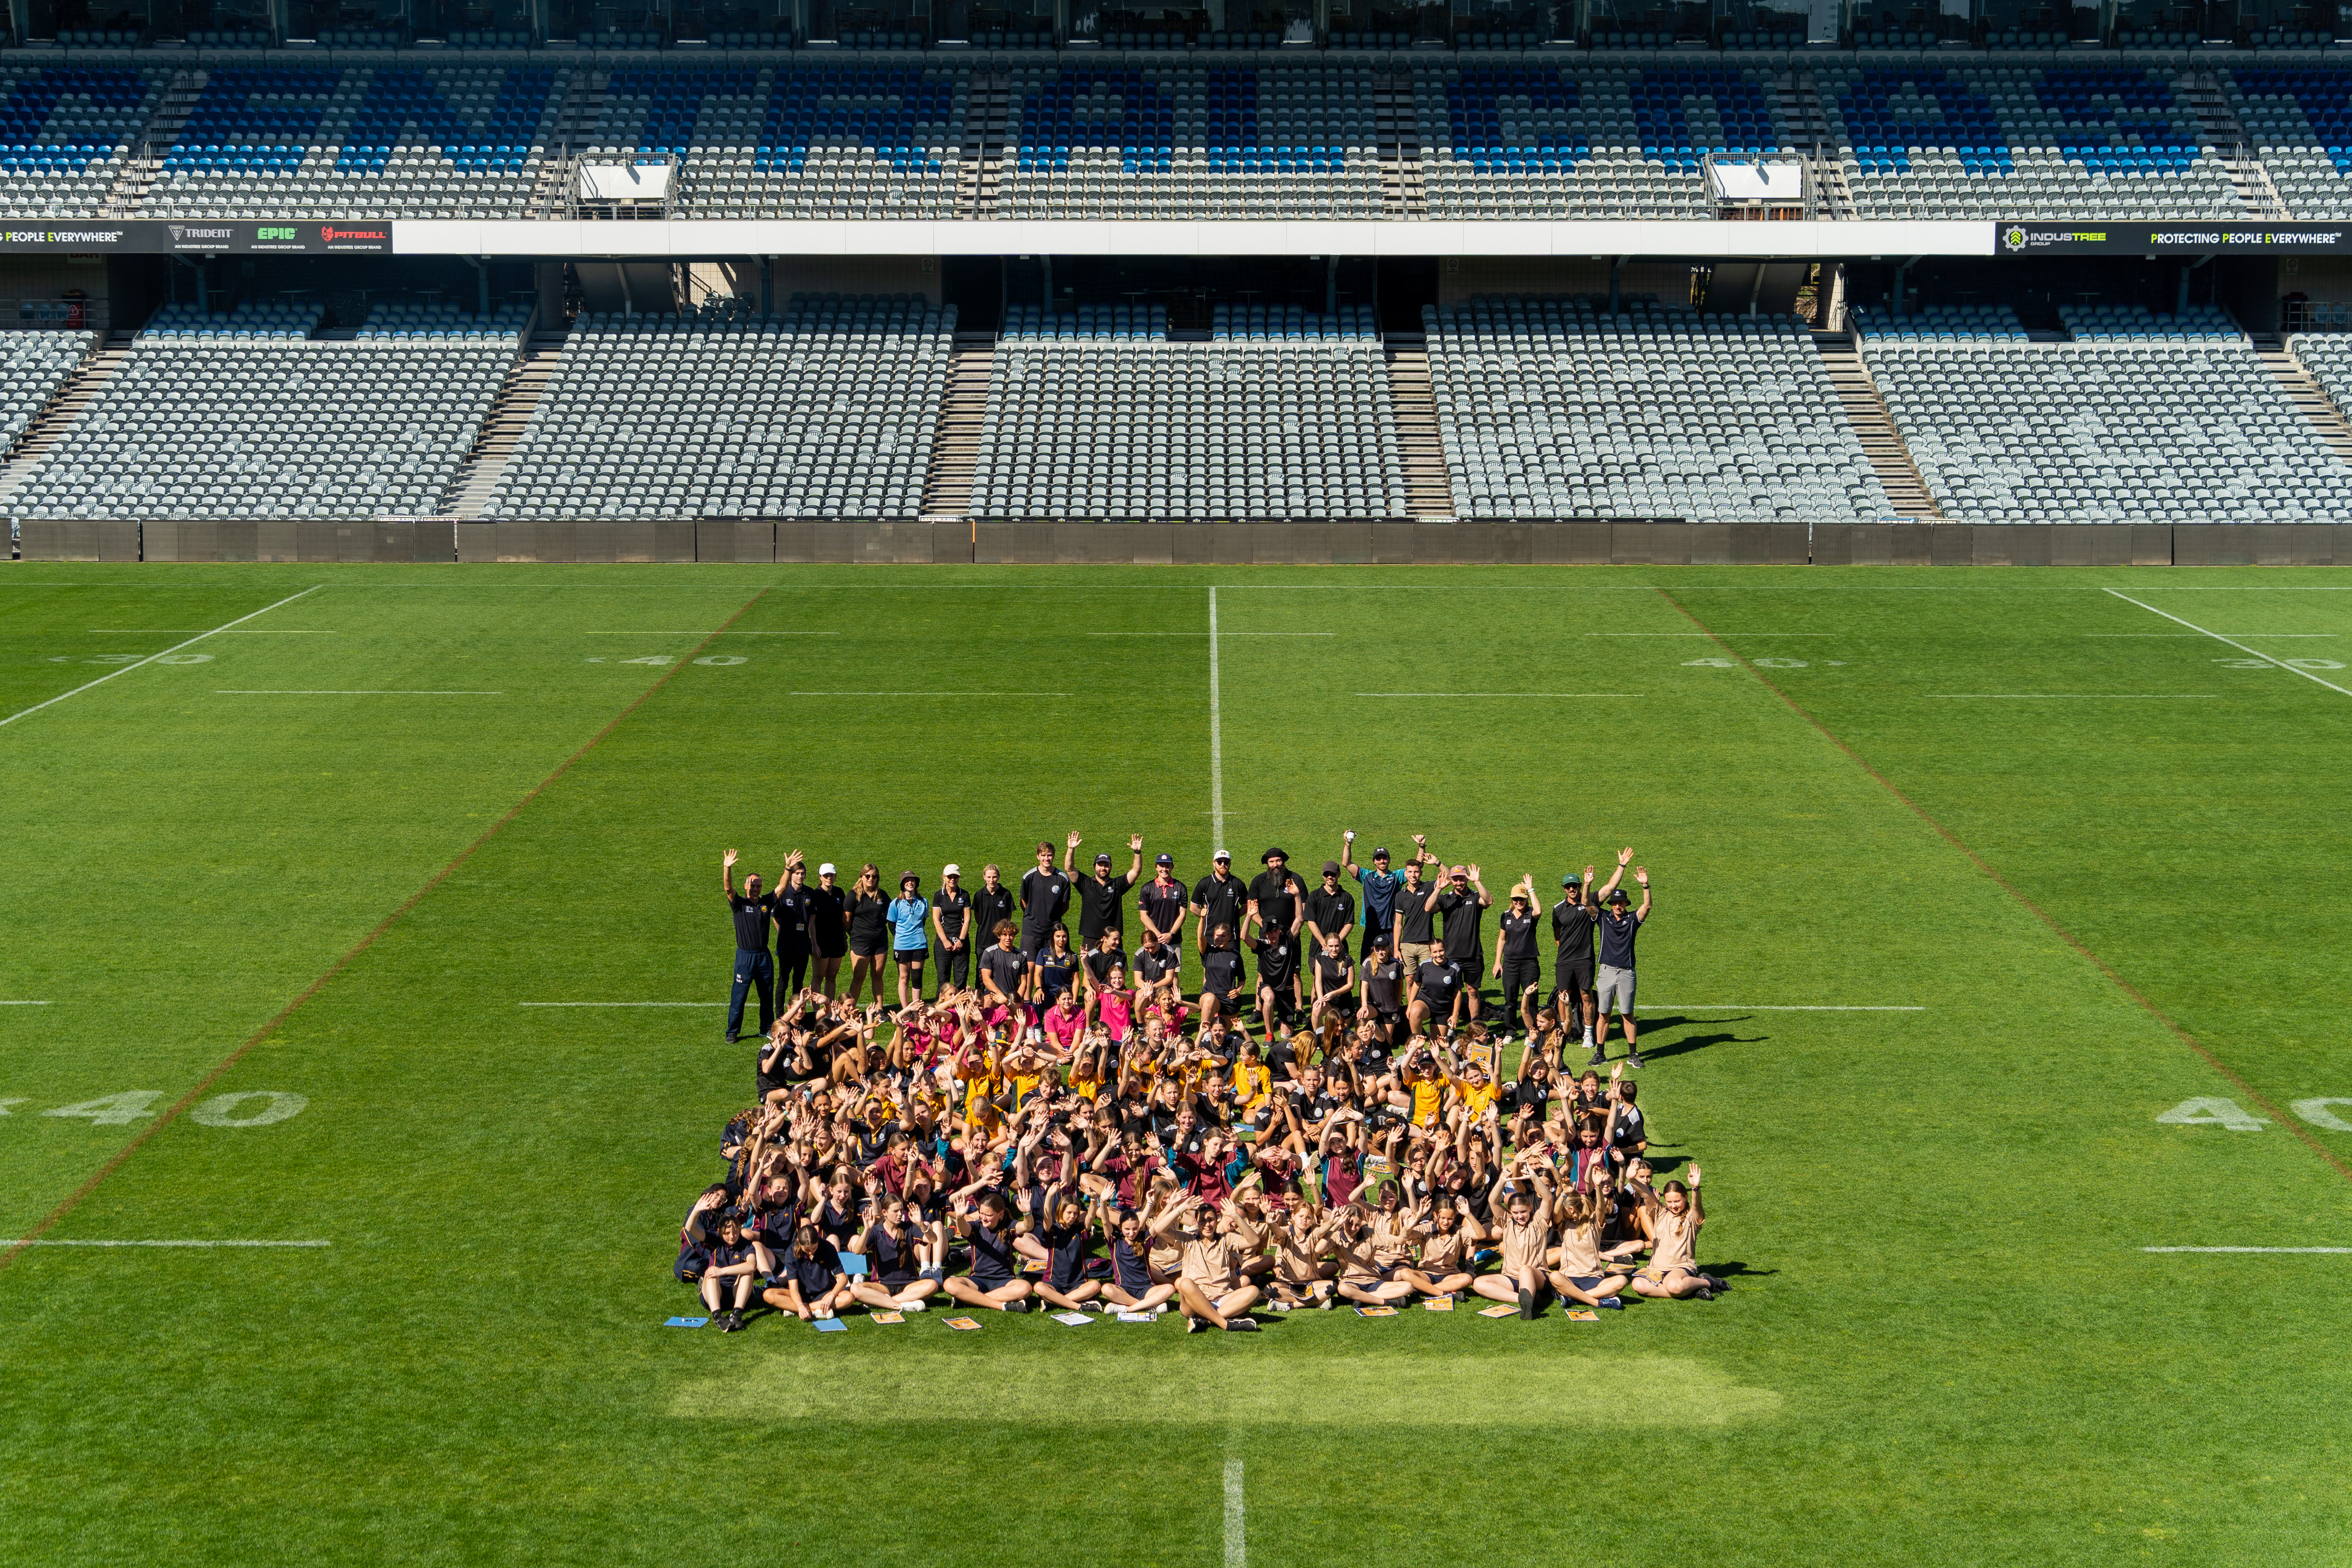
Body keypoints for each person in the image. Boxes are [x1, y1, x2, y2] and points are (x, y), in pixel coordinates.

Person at [1471, 1155, 1556, 1318]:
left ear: (1530, 1208)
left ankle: (1528, 1307)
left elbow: (1548, 1198)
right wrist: (1502, 1180)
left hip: (1538, 1276)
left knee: (1525, 1269)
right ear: (1510, 1213)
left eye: (1523, 1212)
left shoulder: (1538, 1222)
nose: (1520, 1216)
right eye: (1516, 1213)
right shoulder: (1507, 1221)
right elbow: (1493, 1201)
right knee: (1479, 1283)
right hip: (1511, 1278)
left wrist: (1533, 1177)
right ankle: (1523, 1299)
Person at [1629, 1165, 1721, 1300]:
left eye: (1678, 1201)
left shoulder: (1692, 1217)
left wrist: (1696, 1188)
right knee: (1638, 1284)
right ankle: (1690, 1291)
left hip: (1680, 1268)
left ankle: (1710, 1283)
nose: (1674, 1205)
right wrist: (1631, 1179)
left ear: (1685, 1198)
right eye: (1669, 1202)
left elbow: (1697, 1205)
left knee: (1673, 1286)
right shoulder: (1660, 1212)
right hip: (1657, 1268)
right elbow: (1645, 1194)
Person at [1593, 851, 1650, 1067]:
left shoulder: (1632, 919)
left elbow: (1647, 908)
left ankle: (1633, 1054)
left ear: (1626, 904)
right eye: (1615, 902)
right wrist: (1589, 886)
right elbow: (1588, 905)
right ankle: (1600, 1053)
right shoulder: (1603, 918)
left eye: (1621, 903)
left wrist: (1645, 886)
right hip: (1606, 971)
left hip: (1627, 972)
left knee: (1628, 1014)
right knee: (1604, 1014)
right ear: (1612, 904)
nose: (1618, 906)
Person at [721, 849, 777, 1044]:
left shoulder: (766, 903)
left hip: (763, 957)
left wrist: (788, 869)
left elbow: (782, 887)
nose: (756, 889)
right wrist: (727, 868)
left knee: (766, 995)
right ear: (746, 886)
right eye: (753, 885)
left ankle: (767, 1028)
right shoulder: (739, 904)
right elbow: (728, 889)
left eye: (759, 886)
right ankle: (733, 1031)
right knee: (739, 996)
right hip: (745, 958)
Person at [944, 1190, 1034, 1312]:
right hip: (978, 1280)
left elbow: (1027, 1226)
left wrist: (1027, 1213)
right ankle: (1003, 1306)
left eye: (989, 1215)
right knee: (949, 1284)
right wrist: (960, 1217)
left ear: (1001, 1214)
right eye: (981, 1213)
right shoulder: (977, 1227)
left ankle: (971, 1300)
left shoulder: (1009, 1226)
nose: (984, 1218)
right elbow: (965, 1230)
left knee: (1026, 1288)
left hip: (1004, 1281)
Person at [1425, 863, 1491, 1023]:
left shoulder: (1475, 897)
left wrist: (1477, 881)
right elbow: (1429, 908)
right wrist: (1438, 889)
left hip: (1473, 955)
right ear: (1452, 881)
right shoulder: (1446, 899)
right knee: (1449, 991)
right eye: (1455, 880)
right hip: (1452, 956)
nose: (1459, 883)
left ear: (1466, 879)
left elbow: (1488, 901)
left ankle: (1475, 1024)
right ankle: (1448, 1024)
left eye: (1462, 879)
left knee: (1472, 991)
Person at [1551, 866, 1601, 1065]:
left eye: (1575, 886)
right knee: (1564, 996)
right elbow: (1557, 932)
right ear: (1564, 889)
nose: (1572, 889)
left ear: (1580, 887)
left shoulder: (1589, 901)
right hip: (1564, 960)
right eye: (1568, 887)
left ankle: (1588, 1034)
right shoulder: (1557, 909)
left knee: (1586, 995)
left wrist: (1621, 866)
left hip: (1584, 959)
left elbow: (1609, 888)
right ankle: (1564, 1031)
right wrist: (1563, 948)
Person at [762, 1225, 854, 1321]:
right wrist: (800, 1305)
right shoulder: (791, 1252)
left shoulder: (828, 1248)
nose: (811, 1252)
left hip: (825, 1293)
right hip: (801, 1294)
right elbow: (794, 1288)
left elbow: (843, 1279)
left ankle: (802, 1309)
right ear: (799, 1242)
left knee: (849, 1298)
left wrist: (831, 1297)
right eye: (807, 1249)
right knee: (768, 1295)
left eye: (814, 1248)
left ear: (818, 1240)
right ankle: (815, 1310)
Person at [1493, 875, 1544, 1043]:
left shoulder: (1531, 913)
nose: (1518, 902)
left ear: (1526, 899)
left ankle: (1532, 1031)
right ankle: (1510, 1032)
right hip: (1510, 963)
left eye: (1521, 899)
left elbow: (1539, 911)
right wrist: (1498, 962)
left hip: (1529, 963)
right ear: (1512, 900)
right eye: (1515, 899)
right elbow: (1501, 939)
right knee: (1510, 1000)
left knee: (1532, 1000)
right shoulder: (1506, 916)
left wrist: (1531, 890)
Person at [1341, 832, 1405, 961]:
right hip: (1371, 928)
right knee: (1367, 963)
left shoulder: (1397, 877)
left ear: (1389, 860)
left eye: (1385, 858)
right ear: (1374, 862)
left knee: (1394, 963)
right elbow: (1346, 864)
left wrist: (1422, 847)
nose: (1382, 861)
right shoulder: (1366, 876)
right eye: (1379, 858)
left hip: (1390, 929)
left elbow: (1415, 869)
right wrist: (1348, 843)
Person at [1074, 833, 1143, 951]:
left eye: (1106, 865)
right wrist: (1071, 849)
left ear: (1111, 867)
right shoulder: (1085, 883)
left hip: (1113, 937)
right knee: (1089, 968)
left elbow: (1136, 871)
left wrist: (1137, 852)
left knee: (1116, 969)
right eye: (1100, 865)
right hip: (1091, 936)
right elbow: (1070, 869)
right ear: (1095, 867)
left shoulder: (1117, 884)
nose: (1103, 868)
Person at [842, 864, 891, 1009]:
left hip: (880, 943)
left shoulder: (882, 895)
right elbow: (846, 921)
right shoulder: (853, 896)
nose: (871, 879)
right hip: (860, 944)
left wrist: (880, 925)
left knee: (877, 977)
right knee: (859, 978)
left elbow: (890, 913)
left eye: (875, 877)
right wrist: (856, 934)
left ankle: (879, 1009)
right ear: (862, 877)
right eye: (868, 876)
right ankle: (851, 1010)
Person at [1390, 838, 1442, 971]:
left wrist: (1437, 863)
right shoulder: (1400, 896)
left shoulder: (1428, 887)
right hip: (1407, 944)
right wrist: (1396, 948)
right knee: (1410, 979)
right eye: (1410, 872)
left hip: (1427, 943)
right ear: (1405, 874)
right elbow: (1398, 924)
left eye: (1417, 872)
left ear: (1421, 873)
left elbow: (1448, 877)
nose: (1413, 875)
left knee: (1429, 977)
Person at [1020, 837, 1075, 958]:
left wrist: (1052, 917)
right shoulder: (1029, 877)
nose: (1047, 859)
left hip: (1053, 932)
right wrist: (1033, 916)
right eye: (1043, 855)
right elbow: (1024, 902)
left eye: (1049, 855)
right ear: (1038, 857)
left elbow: (1065, 905)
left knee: (1050, 968)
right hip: (1031, 931)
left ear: (1054, 856)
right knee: (1029, 968)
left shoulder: (1062, 878)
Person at [772, 853, 815, 996]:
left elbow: (812, 918)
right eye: (797, 873)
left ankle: (797, 1015)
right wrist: (784, 933)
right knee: (783, 982)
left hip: (803, 945)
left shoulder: (810, 893)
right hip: (786, 946)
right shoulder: (784, 893)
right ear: (791, 875)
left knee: (799, 982)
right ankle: (779, 1015)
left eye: (803, 874)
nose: (800, 876)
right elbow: (776, 917)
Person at [1191, 849, 1246, 958]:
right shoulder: (1205, 883)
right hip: (1210, 936)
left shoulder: (1238, 884)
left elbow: (1246, 907)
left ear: (1230, 864)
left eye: (1226, 862)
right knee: (1209, 971)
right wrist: (1207, 917)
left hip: (1231, 937)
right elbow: (1193, 908)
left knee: (1231, 970)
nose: (1223, 865)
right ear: (1214, 863)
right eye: (1219, 862)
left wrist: (1233, 915)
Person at [887, 872, 930, 1011]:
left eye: (913, 880)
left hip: (920, 945)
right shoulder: (895, 903)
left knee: (917, 978)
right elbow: (892, 925)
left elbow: (923, 922)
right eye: (907, 881)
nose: (910, 883)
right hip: (902, 946)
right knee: (904, 978)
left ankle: (917, 1010)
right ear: (902, 884)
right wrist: (900, 938)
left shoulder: (923, 902)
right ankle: (906, 1011)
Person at [930, 864, 974, 993]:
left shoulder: (965, 895)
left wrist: (961, 940)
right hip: (943, 944)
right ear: (944, 878)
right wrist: (945, 941)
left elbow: (967, 920)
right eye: (950, 877)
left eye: (955, 877)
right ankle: (940, 1011)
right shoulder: (939, 896)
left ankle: (961, 1011)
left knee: (961, 981)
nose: (952, 880)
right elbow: (936, 920)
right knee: (943, 981)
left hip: (962, 943)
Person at [807, 862, 848, 998]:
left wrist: (844, 938)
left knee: (832, 977)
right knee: (818, 977)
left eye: (831, 875)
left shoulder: (839, 893)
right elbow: (811, 922)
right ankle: (815, 1012)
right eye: (826, 876)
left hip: (837, 941)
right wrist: (814, 944)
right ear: (820, 877)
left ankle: (830, 1011)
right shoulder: (814, 895)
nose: (829, 878)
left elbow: (843, 918)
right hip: (821, 942)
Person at [1302, 859, 1356, 954]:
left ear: (1339, 874)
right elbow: (1311, 921)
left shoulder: (1347, 897)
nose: (1330, 877)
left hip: (1340, 951)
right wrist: (1324, 944)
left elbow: (1349, 923)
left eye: (1333, 874)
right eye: (1326, 875)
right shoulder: (1314, 896)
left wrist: (1336, 944)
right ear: (1323, 874)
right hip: (1317, 950)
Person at [972, 863, 1017, 966]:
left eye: (995, 877)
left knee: (1000, 971)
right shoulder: (979, 895)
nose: (992, 880)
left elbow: (1008, 917)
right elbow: (978, 918)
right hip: (983, 940)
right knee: (982, 973)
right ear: (984, 877)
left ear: (999, 877)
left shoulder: (1006, 894)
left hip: (1001, 940)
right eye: (989, 877)